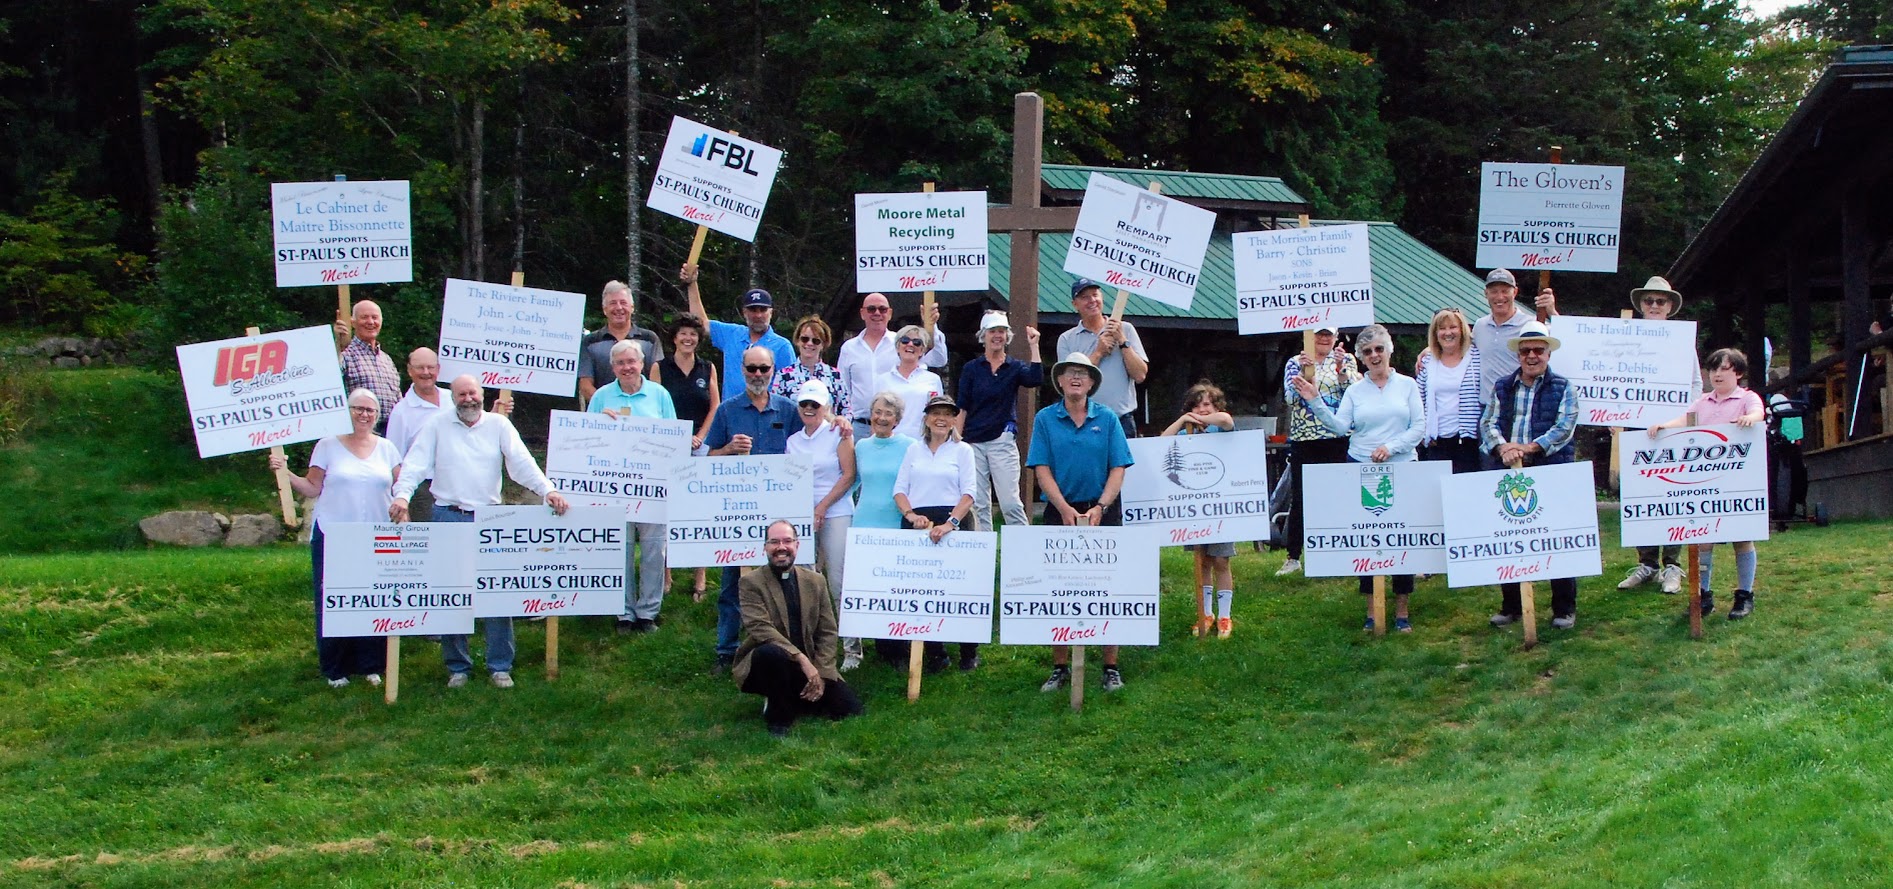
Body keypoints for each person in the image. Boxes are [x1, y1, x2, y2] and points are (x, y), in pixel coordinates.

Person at [390, 374, 572, 688]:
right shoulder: (436, 425)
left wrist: (548, 491)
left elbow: (521, 462)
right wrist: (402, 496)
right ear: (453, 397)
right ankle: (458, 667)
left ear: (482, 394)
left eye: (472, 393)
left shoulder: (498, 425)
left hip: (491, 519)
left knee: (498, 593)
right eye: (461, 394)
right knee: (450, 594)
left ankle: (500, 665)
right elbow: (415, 464)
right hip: (448, 516)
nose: (467, 399)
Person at [1293, 324, 1425, 632]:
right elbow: (1340, 427)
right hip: (1362, 467)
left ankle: (1402, 611)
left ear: (1389, 350)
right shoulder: (1354, 390)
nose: (1374, 355)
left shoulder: (1407, 385)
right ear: (1360, 357)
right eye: (1367, 352)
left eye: (1379, 349)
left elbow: (1418, 427)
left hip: (1402, 465)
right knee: (1368, 537)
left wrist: (1391, 447)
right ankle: (1371, 610)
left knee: (1400, 536)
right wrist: (1315, 400)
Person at [269, 388, 397, 688]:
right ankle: (335, 668)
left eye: (370, 410)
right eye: (358, 408)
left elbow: (399, 486)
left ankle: (370, 664)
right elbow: (313, 487)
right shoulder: (327, 445)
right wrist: (284, 472)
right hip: (334, 535)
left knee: (372, 600)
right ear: (346, 411)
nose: (364, 414)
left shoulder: (388, 448)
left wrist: (401, 507)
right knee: (333, 602)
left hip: (376, 537)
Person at [1027, 352, 1134, 693]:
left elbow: (1118, 467)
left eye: (1083, 374)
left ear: (1092, 382)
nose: (1076, 378)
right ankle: (1060, 667)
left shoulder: (1109, 418)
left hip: (1103, 511)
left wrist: (1103, 505)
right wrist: (1062, 508)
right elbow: (1041, 469)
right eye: (1069, 373)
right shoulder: (1045, 419)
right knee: (1058, 590)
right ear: (1059, 381)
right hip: (1061, 512)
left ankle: (1110, 666)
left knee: (1108, 590)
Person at [1648, 348, 1766, 620]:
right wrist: (1664, 426)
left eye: (1724, 369)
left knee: (1742, 538)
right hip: (1707, 485)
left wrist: (1751, 418)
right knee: (1703, 541)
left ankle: (1744, 595)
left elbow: (1759, 412)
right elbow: (1685, 420)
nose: (1717, 374)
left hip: (1738, 483)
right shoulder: (1703, 402)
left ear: (1737, 372)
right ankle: (1703, 595)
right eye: (1713, 369)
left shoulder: (1747, 398)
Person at [1479, 321, 1581, 630]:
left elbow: (1565, 428)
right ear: (1518, 355)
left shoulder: (1563, 387)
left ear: (1548, 353)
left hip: (1551, 469)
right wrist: (1504, 448)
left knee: (1557, 538)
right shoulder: (1502, 386)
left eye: (1538, 350)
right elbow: (1488, 423)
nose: (1532, 356)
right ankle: (1511, 605)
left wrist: (1530, 448)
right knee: (1510, 538)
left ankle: (1564, 608)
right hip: (1510, 470)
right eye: (1525, 351)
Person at [704, 346, 801, 671]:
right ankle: (726, 650)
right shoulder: (728, 411)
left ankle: (784, 648)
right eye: (752, 369)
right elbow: (706, 459)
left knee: (784, 583)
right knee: (733, 585)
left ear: (773, 370)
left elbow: (807, 451)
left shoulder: (788, 410)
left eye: (764, 369)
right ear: (742, 370)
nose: (758, 375)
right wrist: (729, 449)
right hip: (738, 512)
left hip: (779, 512)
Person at [733, 520, 865, 736]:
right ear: (765, 547)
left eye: (787, 541)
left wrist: (821, 673)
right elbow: (760, 628)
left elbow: (828, 631)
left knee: (849, 710)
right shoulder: (750, 583)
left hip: (812, 664)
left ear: (797, 545)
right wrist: (802, 660)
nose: (781, 547)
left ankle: (798, 696)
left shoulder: (816, 581)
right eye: (774, 542)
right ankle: (779, 717)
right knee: (771, 653)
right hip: (768, 663)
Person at [587, 341, 678, 634]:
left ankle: (648, 612)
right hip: (614, 487)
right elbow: (586, 440)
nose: (627, 367)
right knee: (620, 549)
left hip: (652, 487)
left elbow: (673, 438)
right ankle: (623, 613)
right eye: (621, 363)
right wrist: (602, 424)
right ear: (613, 367)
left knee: (654, 550)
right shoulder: (601, 397)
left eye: (632, 361)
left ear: (642, 364)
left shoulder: (659, 395)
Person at [1617, 276, 1699, 595]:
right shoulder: (1628, 336)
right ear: (1641, 306)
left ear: (1669, 308)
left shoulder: (1681, 339)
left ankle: (1673, 565)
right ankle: (1647, 563)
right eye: (1649, 301)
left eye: (1660, 301)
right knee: (1640, 496)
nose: (1654, 306)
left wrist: (1682, 419)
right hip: (1639, 427)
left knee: (1673, 495)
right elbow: (1616, 378)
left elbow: (1694, 384)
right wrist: (1615, 414)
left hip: (1672, 428)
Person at [893, 394, 979, 672]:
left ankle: (968, 652)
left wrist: (950, 523)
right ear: (926, 418)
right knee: (923, 590)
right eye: (935, 413)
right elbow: (900, 490)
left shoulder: (962, 450)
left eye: (947, 413)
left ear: (954, 419)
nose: (941, 418)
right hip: (918, 522)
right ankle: (935, 652)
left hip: (953, 520)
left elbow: (969, 493)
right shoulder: (912, 450)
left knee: (961, 589)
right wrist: (911, 515)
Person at [784, 380, 862, 671]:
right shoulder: (793, 441)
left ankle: (852, 648)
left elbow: (848, 475)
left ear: (826, 406)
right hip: (802, 517)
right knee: (805, 581)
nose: (809, 409)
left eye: (815, 404)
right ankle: (811, 648)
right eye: (804, 404)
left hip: (837, 510)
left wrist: (822, 507)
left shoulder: (839, 433)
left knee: (839, 580)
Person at [1277, 324, 1359, 576]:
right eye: (1319, 334)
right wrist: (1304, 371)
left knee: (1339, 496)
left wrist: (1342, 371)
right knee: (1301, 497)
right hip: (1306, 438)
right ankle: (1293, 556)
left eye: (1328, 334)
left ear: (1336, 338)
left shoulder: (1347, 360)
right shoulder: (1295, 361)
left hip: (1338, 436)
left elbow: (1356, 395)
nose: (1324, 338)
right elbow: (1291, 399)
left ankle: (1339, 552)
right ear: (1309, 337)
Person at [1159, 382, 1236, 638]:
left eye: (1207, 404)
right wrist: (1183, 421)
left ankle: (1225, 615)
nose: (1202, 409)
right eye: (1196, 404)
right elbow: (1161, 442)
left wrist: (1206, 417)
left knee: (1221, 560)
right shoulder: (1185, 433)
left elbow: (1226, 420)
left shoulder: (1220, 427)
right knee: (1201, 560)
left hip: (1220, 505)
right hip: (1194, 509)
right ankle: (1205, 614)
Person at [850, 391, 919, 668]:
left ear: (898, 419)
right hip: (865, 521)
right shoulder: (861, 447)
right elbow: (852, 482)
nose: (881, 418)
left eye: (888, 413)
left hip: (895, 522)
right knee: (871, 586)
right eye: (877, 412)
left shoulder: (910, 446)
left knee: (896, 587)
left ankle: (899, 648)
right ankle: (880, 647)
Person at [654, 312, 720, 600]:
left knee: (699, 511)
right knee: (668, 512)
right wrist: (676, 438)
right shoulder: (659, 368)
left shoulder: (708, 368)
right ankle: (666, 575)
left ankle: (700, 577)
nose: (688, 338)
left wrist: (701, 436)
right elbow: (654, 405)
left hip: (700, 445)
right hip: (667, 446)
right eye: (683, 333)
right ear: (674, 337)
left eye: (693, 334)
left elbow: (715, 405)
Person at [958, 310, 1043, 531]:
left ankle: (1023, 552)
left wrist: (1034, 346)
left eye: (1002, 331)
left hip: (1002, 440)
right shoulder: (971, 369)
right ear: (983, 335)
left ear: (1007, 336)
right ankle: (982, 554)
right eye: (993, 331)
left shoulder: (1014, 367)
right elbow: (962, 406)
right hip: (973, 442)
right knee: (978, 504)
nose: (997, 336)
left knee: (1010, 503)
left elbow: (1035, 378)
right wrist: (957, 441)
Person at [837, 292, 948, 438]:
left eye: (882, 309)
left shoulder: (903, 341)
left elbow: (939, 359)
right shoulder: (849, 348)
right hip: (858, 425)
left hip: (897, 428)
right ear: (862, 313)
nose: (877, 313)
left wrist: (932, 326)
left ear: (889, 313)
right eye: (871, 309)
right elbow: (843, 389)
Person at [1058, 278, 1150, 439]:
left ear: (1102, 298)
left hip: (1121, 421)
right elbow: (1067, 382)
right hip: (1083, 420)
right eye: (1085, 297)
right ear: (1075, 304)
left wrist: (1122, 341)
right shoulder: (1067, 339)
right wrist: (1098, 353)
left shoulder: (1125, 329)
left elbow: (1140, 375)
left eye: (1095, 295)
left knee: (1123, 465)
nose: (1092, 300)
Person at [680, 263, 794, 390]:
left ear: (771, 313)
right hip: (731, 409)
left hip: (767, 409)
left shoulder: (782, 346)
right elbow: (701, 324)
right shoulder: (732, 334)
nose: (758, 315)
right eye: (753, 310)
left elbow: (790, 387)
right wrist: (692, 283)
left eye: (763, 310)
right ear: (744, 312)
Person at [384, 347, 452, 522]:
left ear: (438, 369)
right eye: (420, 367)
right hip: (423, 490)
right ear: (409, 370)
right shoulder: (401, 412)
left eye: (430, 367)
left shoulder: (452, 399)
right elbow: (395, 461)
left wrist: (496, 412)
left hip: (457, 484)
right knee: (428, 545)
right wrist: (401, 498)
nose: (426, 372)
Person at [1415, 309, 1485, 473]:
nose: (1448, 333)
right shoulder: (1427, 361)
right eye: (1442, 328)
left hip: (1468, 441)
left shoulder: (1476, 356)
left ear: (1462, 330)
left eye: (1453, 327)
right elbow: (1419, 401)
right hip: (1436, 442)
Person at [577, 279, 664, 409]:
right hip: (602, 417)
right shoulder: (590, 341)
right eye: (613, 303)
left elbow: (655, 382)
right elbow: (585, 385)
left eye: (623, 303)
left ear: (632, 307)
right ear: (605, 309)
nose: (619, 308)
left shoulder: (650, 339)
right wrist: (608, 407)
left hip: (641, 415)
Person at [1471, 268, 1558, 394]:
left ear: (1515, 292)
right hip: (1486, 406)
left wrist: (1552, 312)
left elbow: (1567, 339)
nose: (1500, 297)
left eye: (1505, 291)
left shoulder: (1531, 325)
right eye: (1494, 291)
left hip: (1518, 404)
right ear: (1486, 294)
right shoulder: (1480, 326)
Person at [334, 300, 402, 435]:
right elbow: (330, 378)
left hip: (391, 434)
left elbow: (398, 398)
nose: (370, 322)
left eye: (375, 317)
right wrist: (337, 342)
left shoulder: (386, 359)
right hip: (359, 433)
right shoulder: (346, 355)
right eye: (364, 317)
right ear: (352, 322)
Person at [872, 325, 946, 441]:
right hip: (890, 442)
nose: (910, 345)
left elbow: (938, 414)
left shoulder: (933, 380)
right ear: (897, 347)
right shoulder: (882, 380)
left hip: (922, 443)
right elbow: (875, 417)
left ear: (922, 350)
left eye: (917, 342)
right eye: (905, 341)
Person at [772, 315, 849, 419]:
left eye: (815, 341)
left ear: (823, 344)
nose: (809, 343)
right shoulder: (783, 375)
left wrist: (840, 424)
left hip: (827, 433)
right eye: (804, 339)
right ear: (797, 341)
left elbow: (846, 410)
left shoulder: (834, 375)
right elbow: (775, 409)